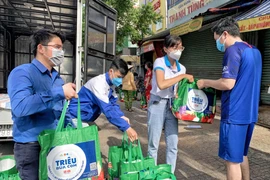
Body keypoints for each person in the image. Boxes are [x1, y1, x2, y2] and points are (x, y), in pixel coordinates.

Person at [197, 17, 262, 180]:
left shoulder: (233, 50)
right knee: (241, 154)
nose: (218, 44)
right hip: (250, 114)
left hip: (234, 115)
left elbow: (227, 83)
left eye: (217, 39)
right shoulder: (254, 50)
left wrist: (205, 82)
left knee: (231, 161)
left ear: (225, 34)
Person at [7, 29, 77, 180]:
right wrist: (59, 93)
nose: (61, 51)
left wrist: (73, 130)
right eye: (57, 47)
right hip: (32, 146)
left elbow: (60, 111)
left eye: (62, 48)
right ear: (40, 48)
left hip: (55, 143)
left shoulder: (58, 79)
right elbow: (20, 107)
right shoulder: (22, 73)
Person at [147, 35, 194, 173]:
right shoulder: (159, 63)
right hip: (157, 103)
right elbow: (161, 84)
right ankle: (151, 173)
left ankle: (169, 174)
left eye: (180, 47)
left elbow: (177, 90)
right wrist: (181, 76)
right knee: (153, 144)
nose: (178, 50)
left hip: (172, 105)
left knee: (173, 144)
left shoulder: (182, 68)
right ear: (166, 49)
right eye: (175, 47)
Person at [68, 58, 138, 142]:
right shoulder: (99, 84)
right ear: (111, 71)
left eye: (122, 78)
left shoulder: (111, 84)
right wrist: (127, 128)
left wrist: (120, 116)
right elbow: (108, 110)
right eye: (119, 77)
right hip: (76, 117)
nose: (120, 80)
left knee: (90, 142)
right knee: (86, 145)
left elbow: (113, 103)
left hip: (85, 117)